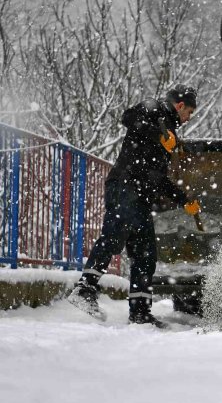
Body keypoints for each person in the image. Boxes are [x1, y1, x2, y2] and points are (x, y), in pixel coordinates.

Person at [67, 84, 201, 327]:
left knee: (145, 256)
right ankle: (84, 290)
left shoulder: (169, 133)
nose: (189, 118)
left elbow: (158, 178)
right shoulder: (154, 110)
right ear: (180, 105)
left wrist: (184, 200)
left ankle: (140, 313)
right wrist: (159, 135)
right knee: (113, 237)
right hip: (124, 188)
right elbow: (128, 117)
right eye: (189, 112)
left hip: (140, 198)